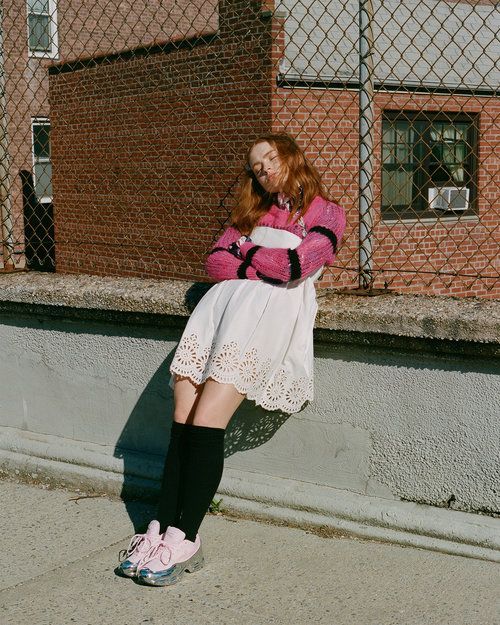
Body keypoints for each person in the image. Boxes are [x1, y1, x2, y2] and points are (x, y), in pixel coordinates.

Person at [117, 132, 346, 586]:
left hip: (261, 323)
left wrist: (243, 249)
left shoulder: (326, 212)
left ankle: (187, 537)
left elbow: (294, 268)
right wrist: (252, 258)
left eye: (270, 159)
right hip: (215, 317)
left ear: (292, 157)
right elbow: (215, 263)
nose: (262, 169)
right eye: (256, 166)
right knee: (182, 420)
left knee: (206, 426)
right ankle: (158, 529)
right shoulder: (252, 211)